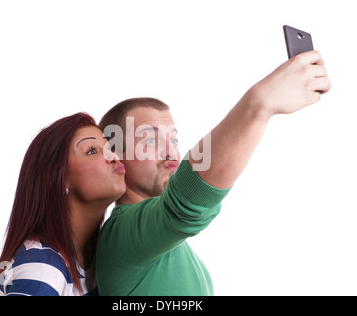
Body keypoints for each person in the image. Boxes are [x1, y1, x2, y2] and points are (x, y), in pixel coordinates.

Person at [96, 50, 331, 295]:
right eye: (150, 141)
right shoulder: (121, 238)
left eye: (174, 141)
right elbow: (184, 204)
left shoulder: (166, 245)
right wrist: (260, 103)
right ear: (116, 157)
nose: (171, 153)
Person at [0, 112, 126, 296]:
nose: (113, 156)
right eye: (91, 151)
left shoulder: (97, 260)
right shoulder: (43, 268)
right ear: (61, 179)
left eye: (109, 148)